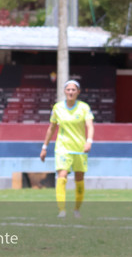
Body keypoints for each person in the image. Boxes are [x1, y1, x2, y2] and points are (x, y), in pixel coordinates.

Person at [40, 80, 94, 219]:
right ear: (64, 91)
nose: (70, 92)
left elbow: (90, 126)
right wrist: (44, 147)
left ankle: (76, 209)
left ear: (78, 92)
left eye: (73, 90)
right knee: (62, 175)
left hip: (80, 149)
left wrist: (89, 141)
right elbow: (51, 128)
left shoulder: (84, 107)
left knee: (79, 178)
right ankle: (62, 210)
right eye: (68, 89)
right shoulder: (57, 108)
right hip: (62, 148)